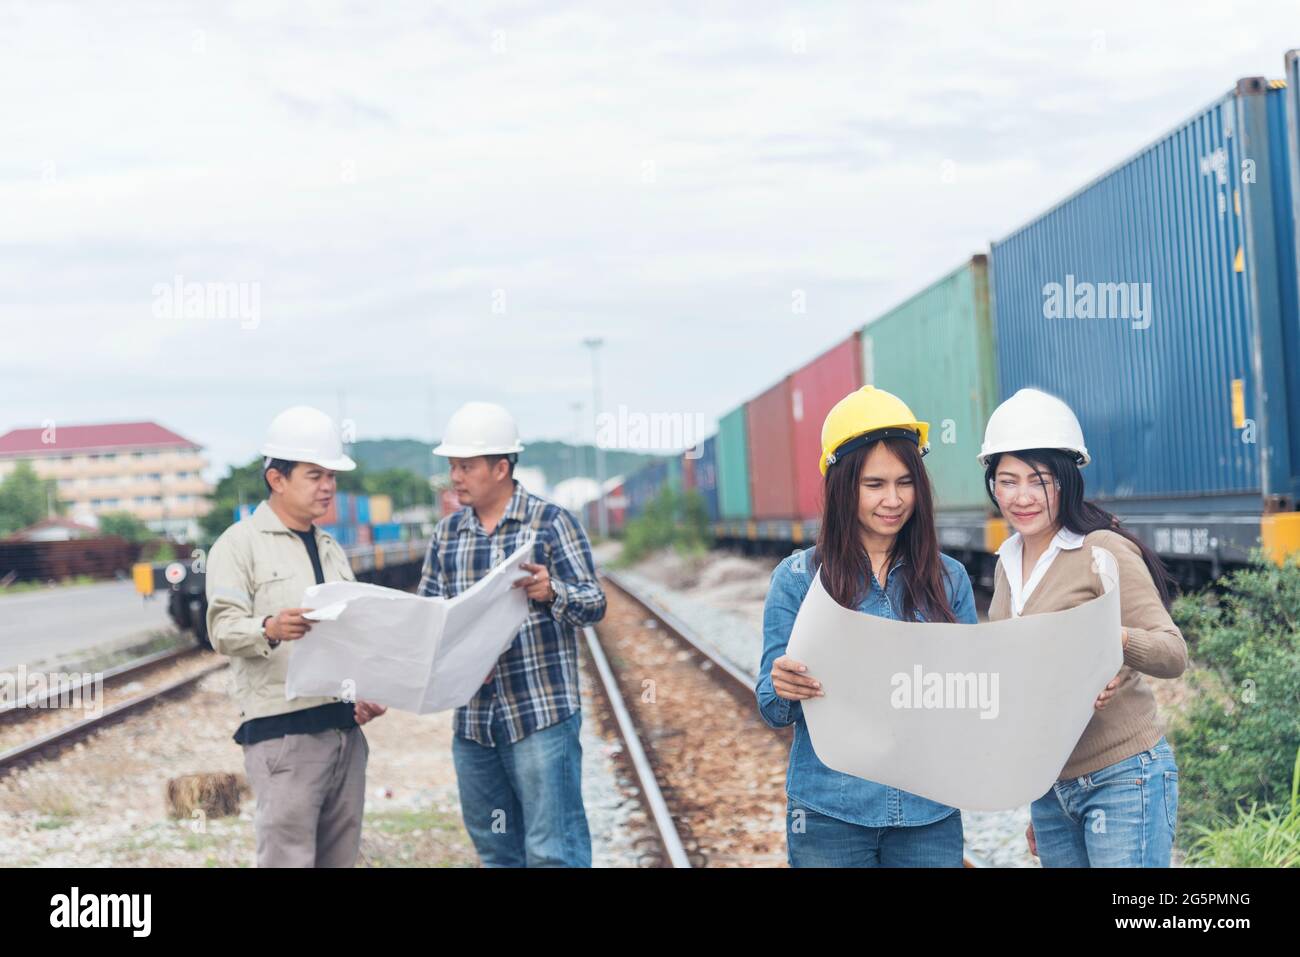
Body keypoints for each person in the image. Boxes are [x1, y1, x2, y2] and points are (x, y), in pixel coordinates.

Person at [756, 386, 978, 867]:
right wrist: (785, 686)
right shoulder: (797, 580)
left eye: (905, 482)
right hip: (829, 816)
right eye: (874, 484)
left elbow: (973, 703)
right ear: (842, 486)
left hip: (929, 814)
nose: (893, 500)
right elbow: (772, 708)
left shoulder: (948, 579)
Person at [979, 388, 1186, 867]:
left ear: (1067, 481)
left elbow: (1173, 654)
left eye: (1039, 479)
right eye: (1007, 481)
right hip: (1053, 790)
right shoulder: (1005, 567)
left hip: (1123, 777)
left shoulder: (1101, 552)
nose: (1022, 497)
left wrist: (1113, 640)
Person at [419, 400, 606, 867]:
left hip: (540, 713)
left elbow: (593, 603)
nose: (455, 477)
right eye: (452, 466)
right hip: (474, 722)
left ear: (502, 467)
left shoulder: (551, 523)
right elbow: (425, 618)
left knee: (551, 852)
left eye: (466, 466)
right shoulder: (447, 535)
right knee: (496, 851)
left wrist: (550, 590)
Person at [206, 405, 387, 868]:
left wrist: (362, 688)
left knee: (339, 860)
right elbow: (222, 629)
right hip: (283, 736)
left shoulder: (331, 548)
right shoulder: (237, 544)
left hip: (344, 733)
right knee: (287, 861)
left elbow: (348, 633)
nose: (327, 486)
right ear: (277, 478)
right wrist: (268, 628)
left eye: (331, 476)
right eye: (314, 475)